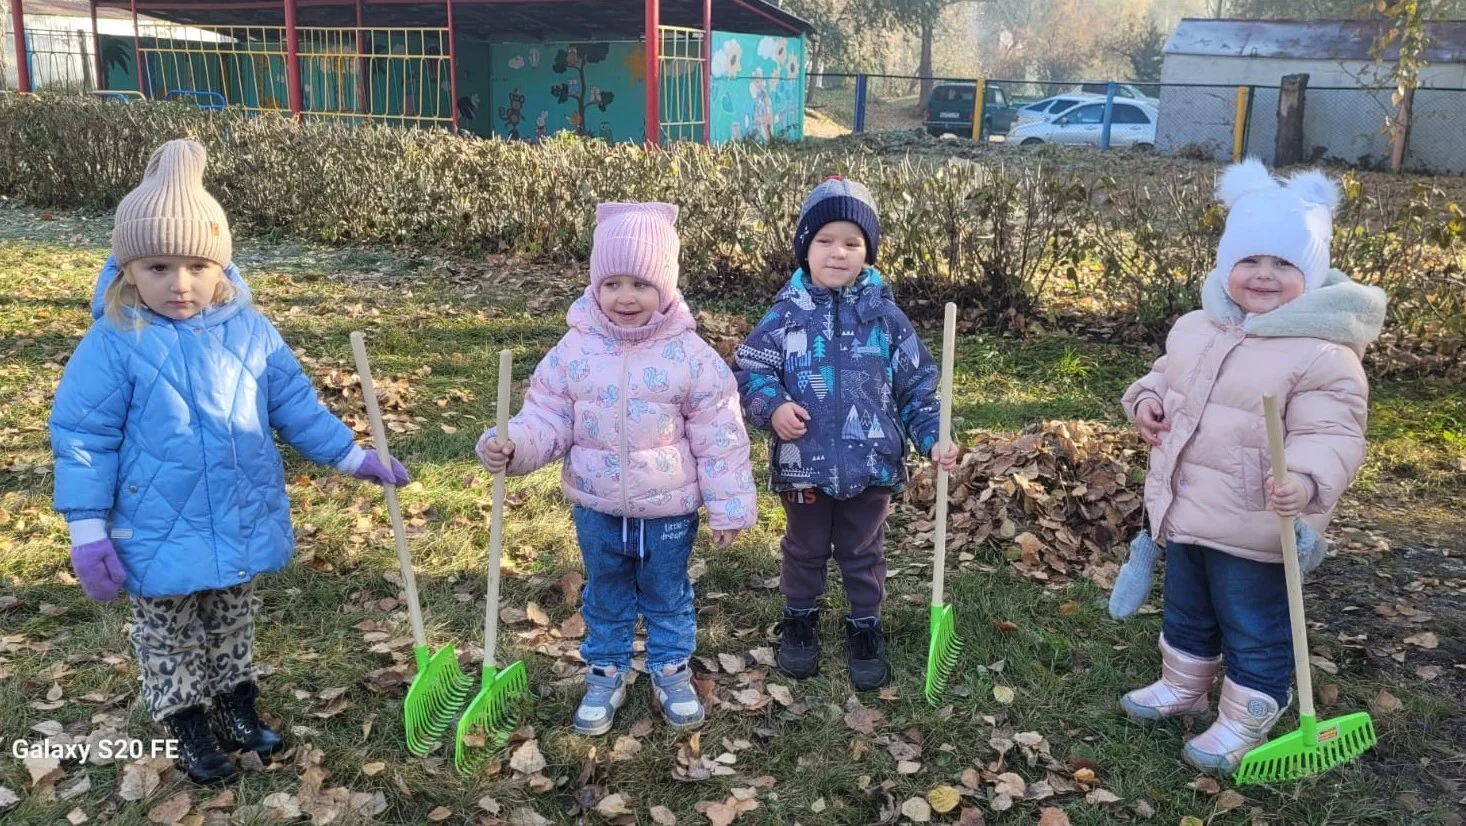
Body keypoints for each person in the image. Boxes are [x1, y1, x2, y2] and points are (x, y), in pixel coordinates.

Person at [50, 140, 408, 785]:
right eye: (157, 267)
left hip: (239, 514)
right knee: (168, 631)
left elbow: (295, 406)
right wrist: (87, 528)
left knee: (231, 619)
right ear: (128, 270)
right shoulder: (113, 343)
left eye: (196, 265)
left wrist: (352, 456)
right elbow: (83, 436)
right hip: (153, 523)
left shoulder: (251, 331)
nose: (179, 283)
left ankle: (237, 704)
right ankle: (187, 721)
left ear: (222, 266)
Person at [1114, 158, 1386, 773]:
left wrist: (1308, 480)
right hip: (1184, 504)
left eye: (1284, 264)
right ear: (1225, 264)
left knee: (1251, 617)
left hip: (1258, 518)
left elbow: (1333, 431)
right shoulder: (1197, 326)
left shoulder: (1323, 354)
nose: (1263, 275)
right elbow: (1163, 376)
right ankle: (1184, 685)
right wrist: (1148, 400)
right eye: (1250, 260)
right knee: (1187, 606)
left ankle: (1250, 710)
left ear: (1310, 274)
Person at [476, 202, 757, 736]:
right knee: (605, 591)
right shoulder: (574, 350)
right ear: (594, 286)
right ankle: (605, 670)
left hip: (668, 511)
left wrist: (730, 507)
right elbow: (548, 416)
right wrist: (512, 446)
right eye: (612, 283)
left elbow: (720, 437)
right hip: (597, 506)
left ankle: (670, 668)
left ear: (666, 287)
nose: (625, 297)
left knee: (666, 591)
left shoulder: (691, 357)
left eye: (640, 284)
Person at [734, 176, 958, 691]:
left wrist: (933, 438)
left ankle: (864, 624)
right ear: (805, 248)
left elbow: (917, 387)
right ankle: (799, 618)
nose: (839, 253)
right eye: (825, 241)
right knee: (805, 546)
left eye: (852, 243)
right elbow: (749, 370)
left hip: (871, 463)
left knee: (862, 549)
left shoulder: (885, 318)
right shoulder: (786, 314)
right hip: (803, 463)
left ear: (869, 252)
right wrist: (773, 407)